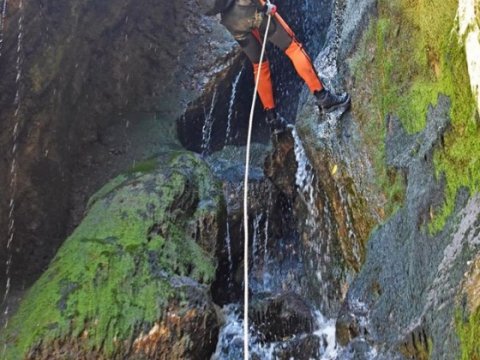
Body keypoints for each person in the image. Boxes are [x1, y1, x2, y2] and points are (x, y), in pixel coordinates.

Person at [199, 0, 351, 136]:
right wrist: (264, 6)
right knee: (293, 47)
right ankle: (323, 97)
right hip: (250, 7)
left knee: (259, 65)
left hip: (231, 21)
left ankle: (273, 120)